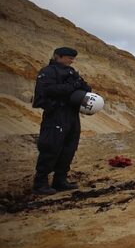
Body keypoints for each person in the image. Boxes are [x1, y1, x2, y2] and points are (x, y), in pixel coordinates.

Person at [31, 47, 92, 195]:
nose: (72, 60)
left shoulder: (72, 72)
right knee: (51, 147)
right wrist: (72, 87)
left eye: (72, 58)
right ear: (58, 56)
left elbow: (86, 88)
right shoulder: (48, 72)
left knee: (69, 147)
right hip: (55, 113)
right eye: (69, 58)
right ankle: (40, 183)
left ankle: (60, 180)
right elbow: (49, 91)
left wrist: (80, 86)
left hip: (71, 113)